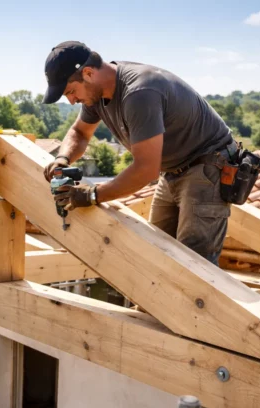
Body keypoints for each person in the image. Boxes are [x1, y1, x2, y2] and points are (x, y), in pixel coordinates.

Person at [41, 41, 237, 265]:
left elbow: (145, 169)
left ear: (88, 73)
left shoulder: (139, 92)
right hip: (173, 170)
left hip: (207, 167)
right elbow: (79, 133)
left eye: (71, 91)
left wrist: (91, 195)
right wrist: (62, 158)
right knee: (156, 256)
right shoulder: (96, 93)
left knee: (194, 269)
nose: (72, 100)